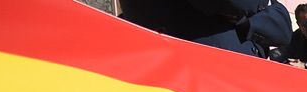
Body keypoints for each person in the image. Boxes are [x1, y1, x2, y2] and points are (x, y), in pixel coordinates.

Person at [121, 0, 291, 60]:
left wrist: (243, 21)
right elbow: (240, 3)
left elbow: (283, 28)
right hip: (194, 77)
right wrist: (254, 13)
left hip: (239, 89)